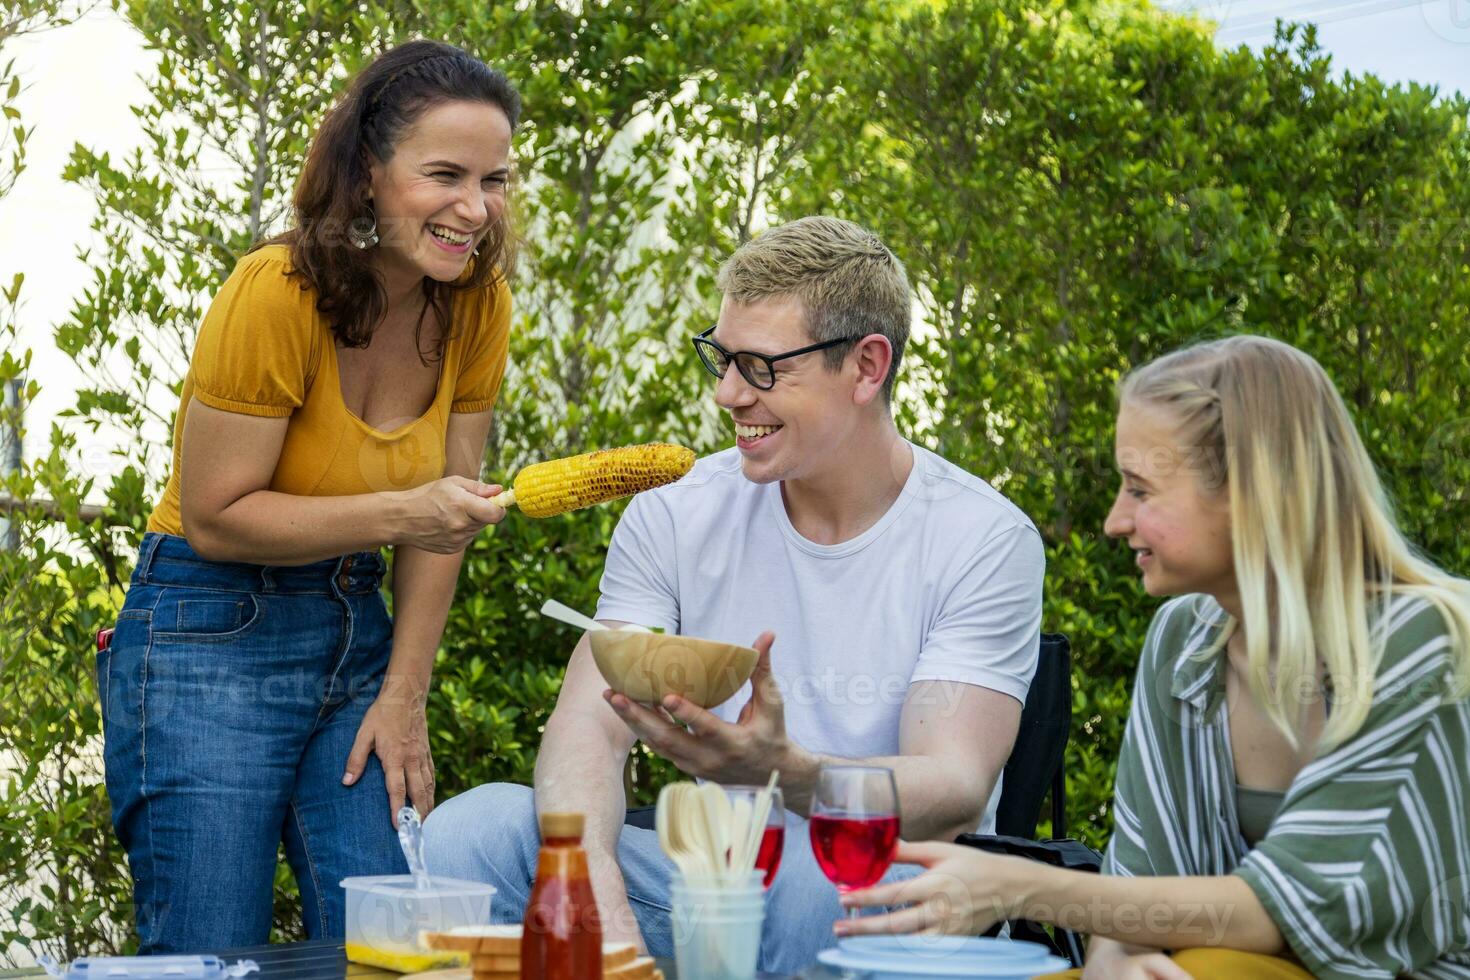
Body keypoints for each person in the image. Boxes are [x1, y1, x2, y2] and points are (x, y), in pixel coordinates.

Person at [422, 216, 1047, 975]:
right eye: (721, 359)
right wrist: (597, 896)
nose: (726, 394)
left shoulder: (982, 537)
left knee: (821, 882)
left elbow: (953, 784)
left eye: (760, 367)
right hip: (707, 880)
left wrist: (779, 772)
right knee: (470, 830)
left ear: (867, 366)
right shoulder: (675, 511)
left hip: (879, 894)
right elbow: (590, 720)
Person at [838, 335, 1470, 979]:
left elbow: (1287, 911)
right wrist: (1119, 959)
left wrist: (1017, 886)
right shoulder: (1185, 641)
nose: (1114, 520)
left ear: (1253, 491)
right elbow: (1135, 883)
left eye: (1141, 490)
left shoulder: (1417, 642)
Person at [97, 40, 522, 952]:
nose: (474, 208)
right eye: (444, 174)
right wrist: (408, 512)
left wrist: (406, 694)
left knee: (395, 948)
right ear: (368, 176)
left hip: (355, 635)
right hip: (206, 632)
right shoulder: (277, 291)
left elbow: (443, 530)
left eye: (495, 180)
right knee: (210, 953)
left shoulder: (477, 307)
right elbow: (217, 515)